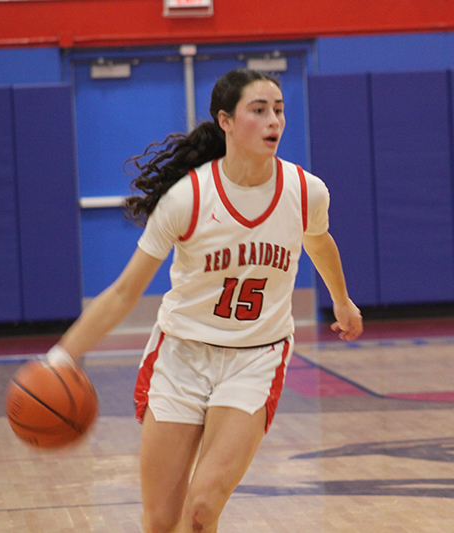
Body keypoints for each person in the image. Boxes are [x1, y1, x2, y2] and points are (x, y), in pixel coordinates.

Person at [44, 68, 363, 532]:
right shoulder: (188, 199)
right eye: (259, 110)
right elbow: (122, 293)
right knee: (160, 522)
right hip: (181, 357)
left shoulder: (305, 191)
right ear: (226, 121)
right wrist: (61, 357)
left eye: (279, 110)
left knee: (201, 511)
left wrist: (342, 300)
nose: (274, 120)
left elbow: (318, 240)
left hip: (256, 358)